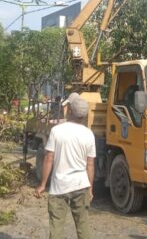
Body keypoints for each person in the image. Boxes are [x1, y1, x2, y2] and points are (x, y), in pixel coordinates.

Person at [34, 93, 96, 239]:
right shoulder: (89, 134)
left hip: (59, 187)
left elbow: (49, 158)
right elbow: (90, 164)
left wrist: (42, 184)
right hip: (81, 185)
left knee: (56, 228)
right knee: (83, 227)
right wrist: (90, 188)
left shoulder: (57, 131)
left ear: (69, 111)